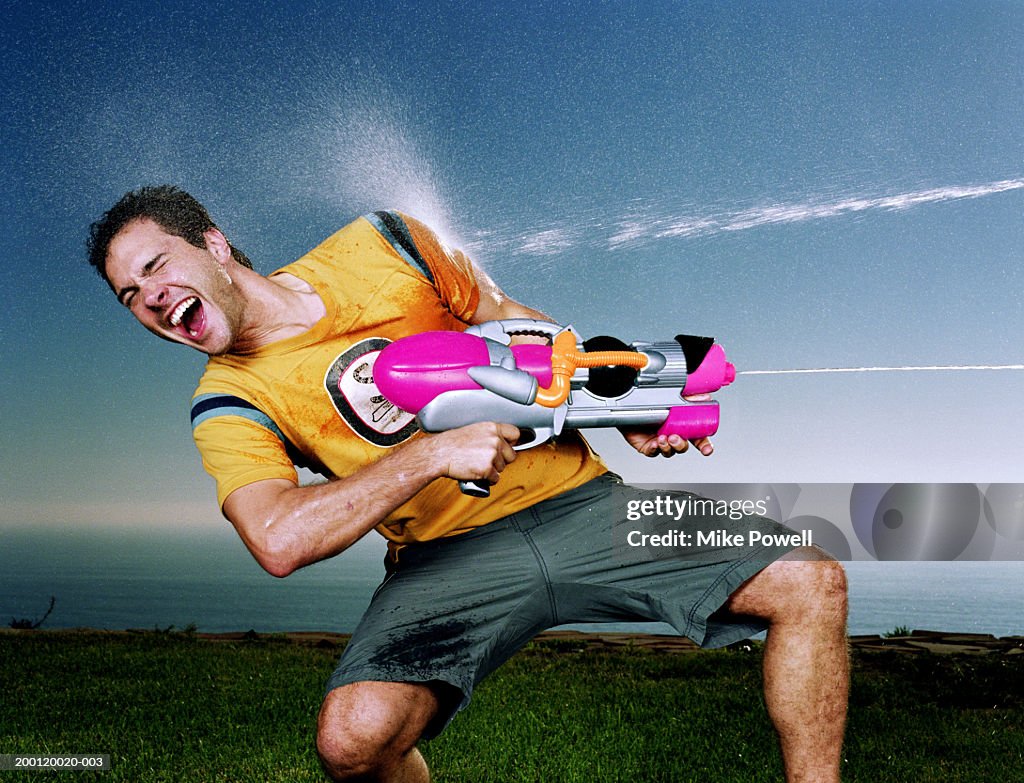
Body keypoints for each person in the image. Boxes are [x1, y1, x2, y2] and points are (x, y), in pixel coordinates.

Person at [88, 186, 848, 783]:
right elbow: (279, 537)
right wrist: (429, 455)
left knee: (810, 580)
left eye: (155, 266)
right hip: (445, 562)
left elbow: (519, 325)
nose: (148, 297)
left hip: (581, 503)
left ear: (214, 245)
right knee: (352, 741)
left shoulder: (382, 241)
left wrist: (621, 402)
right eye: (129, 295)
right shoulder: (228, 401)